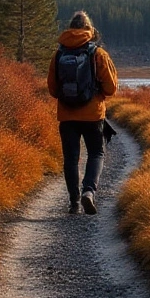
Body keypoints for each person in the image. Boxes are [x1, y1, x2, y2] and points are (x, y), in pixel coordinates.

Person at [47, 11, 118, 215]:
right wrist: (96, 94)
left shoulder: (59, 54)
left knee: (71, 158)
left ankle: (74, 202)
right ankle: (89, 192)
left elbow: (52, 89)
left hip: (67, 116)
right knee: (96, 153)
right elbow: (111, 88)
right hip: (93, 115)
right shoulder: (97, 53)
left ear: (70, 27)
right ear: (89, 29)